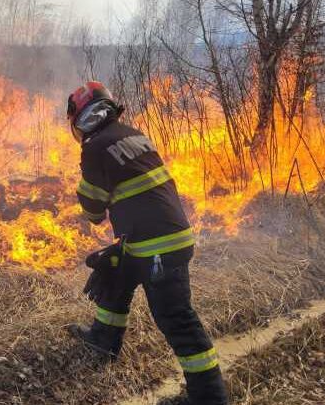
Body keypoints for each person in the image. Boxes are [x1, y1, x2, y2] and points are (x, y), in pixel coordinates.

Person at [66, 81, 228, 404]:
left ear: (78, 122)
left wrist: (83, 192)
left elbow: (94, 211)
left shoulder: (94, 148)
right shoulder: (131, 134)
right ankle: (103, 341)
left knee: (176, 317)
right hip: (157, 236)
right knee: (114, 269)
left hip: (159, 245)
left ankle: (209, 396)